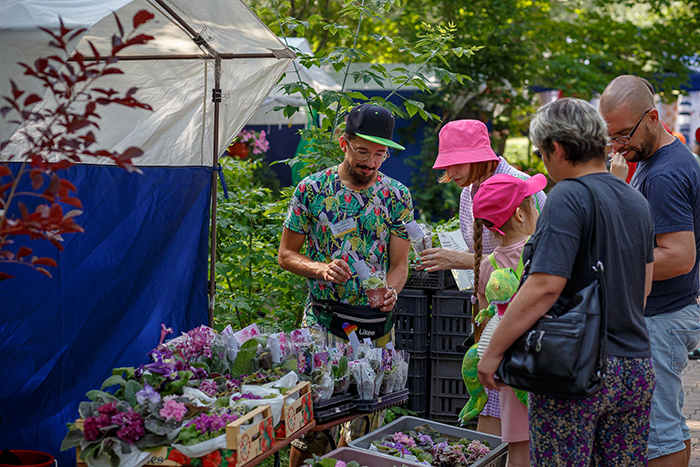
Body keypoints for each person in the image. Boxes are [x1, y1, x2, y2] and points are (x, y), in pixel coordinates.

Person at [478, 97, 656, 466]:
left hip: (576, 368)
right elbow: (643, 288)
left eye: (543, 153)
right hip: (636, 366)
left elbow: (545, 285)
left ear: (556, 149)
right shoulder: (634, 199)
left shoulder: (568, 197)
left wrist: (494, 350)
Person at [278, 103, 413, 466]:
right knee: (312, 424)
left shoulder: (397, 196)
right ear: (343, 144)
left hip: (375, 326)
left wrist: (392, 290)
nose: (371, 162)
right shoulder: (311, 190)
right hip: (323, 321)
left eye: (381, 154)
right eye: (363, 151)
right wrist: (320, 268)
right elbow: (287, 255)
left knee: (367, 426)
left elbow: (400, 264)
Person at [418, 119, 547, 435]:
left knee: (516, 405)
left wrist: (460, 260)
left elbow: (536, 256)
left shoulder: (520, 186)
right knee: (492, 397)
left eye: (455, 162)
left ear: (480, 156)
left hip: (522, 316)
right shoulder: (467, 192)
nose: (451, 172)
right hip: (488, 312)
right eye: (446, 163)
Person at [599, 75, 700, 467]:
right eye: (611, 136)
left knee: (657, 433)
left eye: (624, 133)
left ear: (653, 117)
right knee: (668, 424)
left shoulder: (664, 174)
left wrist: (610, 265)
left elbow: (678, 256)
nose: (618, 146)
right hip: (667, 313)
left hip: (663, 317)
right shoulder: (655, 159)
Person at [471, 172, 548, 467]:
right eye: (533, 204)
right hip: (548, 365)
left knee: (518, 447)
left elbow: (483, 326)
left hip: (511, 370)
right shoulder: (543, 252)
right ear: (519, 215)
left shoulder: (487, 266)